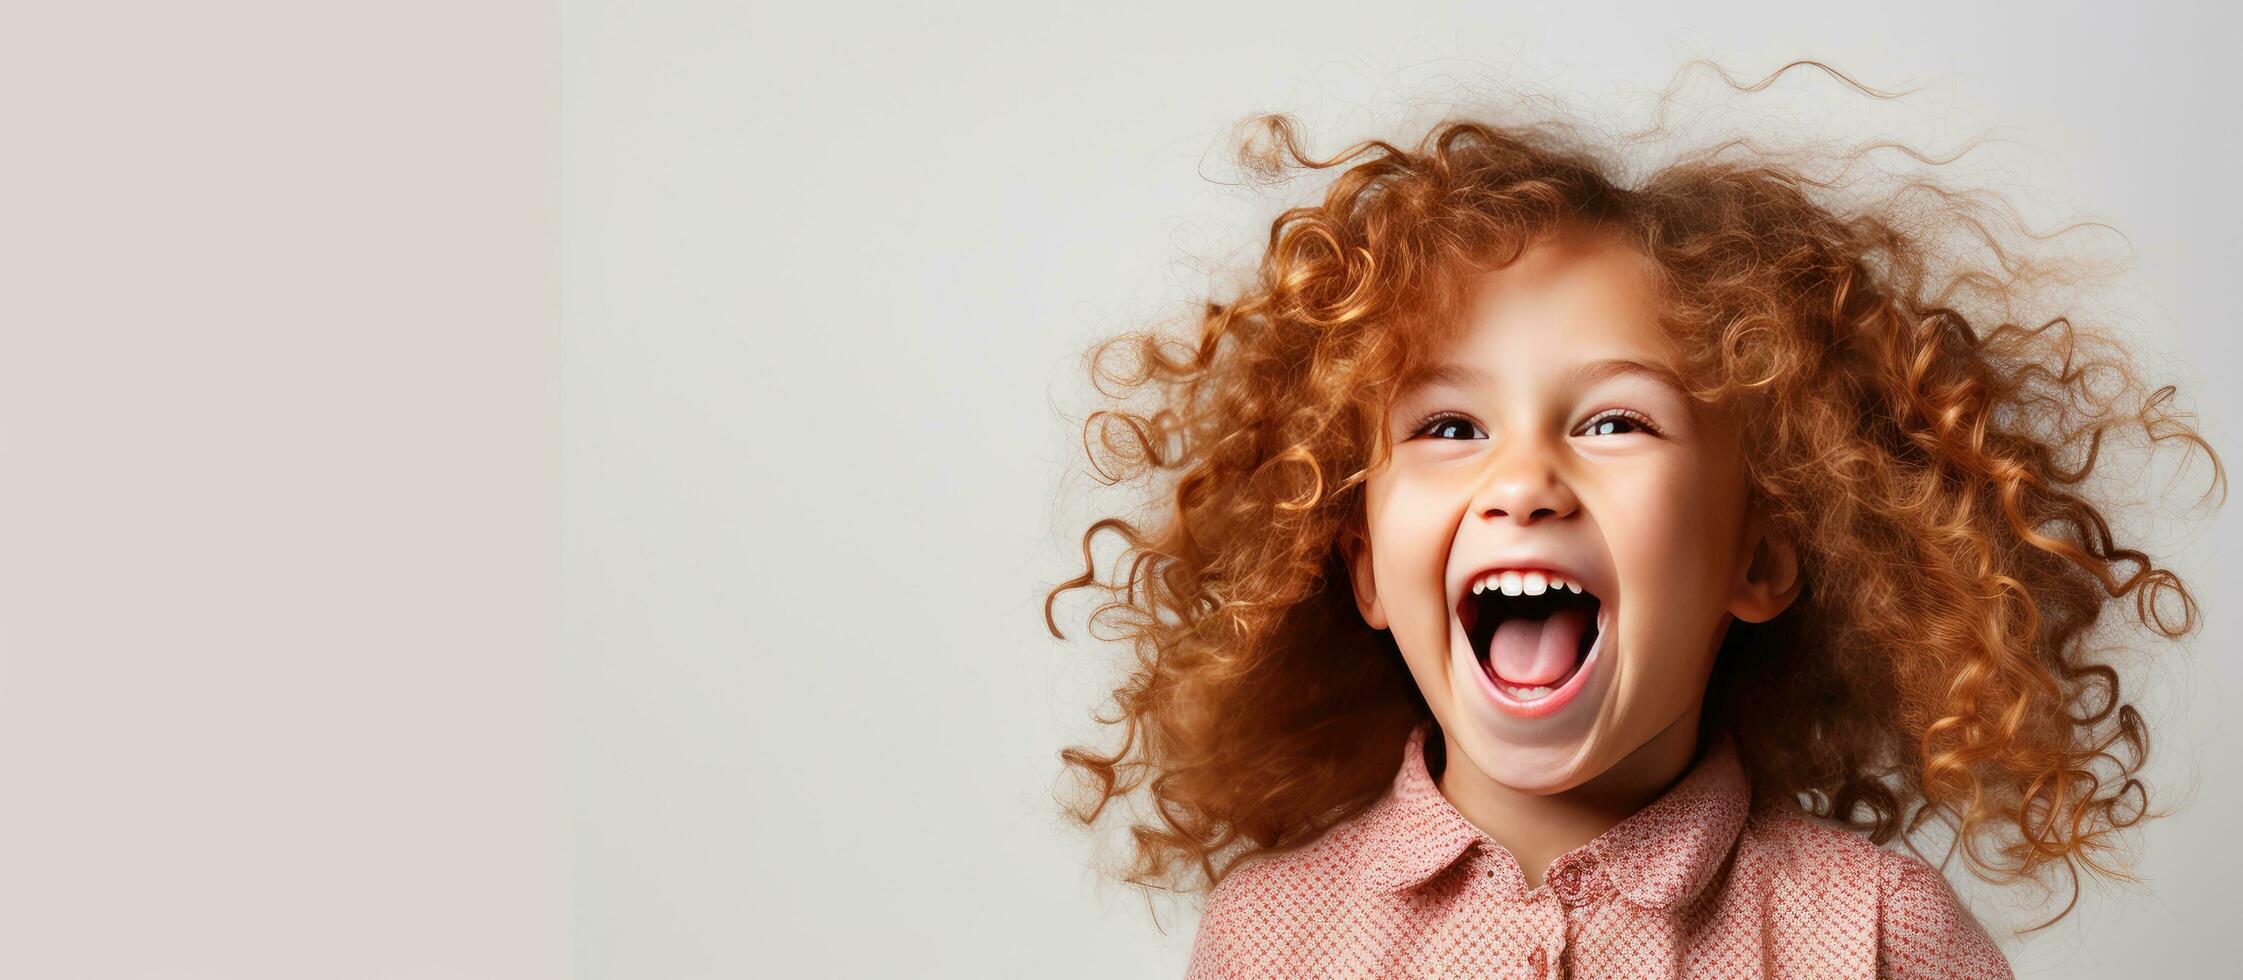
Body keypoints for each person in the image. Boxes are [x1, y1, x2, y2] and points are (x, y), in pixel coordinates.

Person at [1042, 61, 2221, 978]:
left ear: (1758, 553)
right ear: (1357, 565)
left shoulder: (1869, 933)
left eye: (1613, 423)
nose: (1524, 480)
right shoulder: (1274, 938)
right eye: (1449, 427)